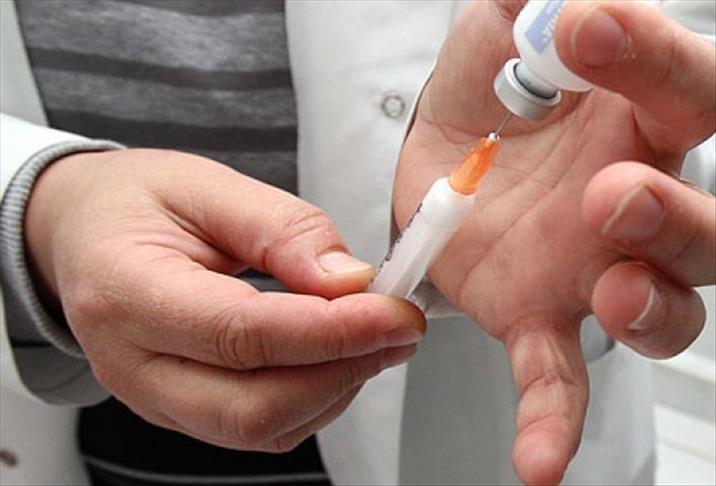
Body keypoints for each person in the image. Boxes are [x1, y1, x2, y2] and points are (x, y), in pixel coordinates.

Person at [1, 0, 714, 485]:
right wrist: (38, 204)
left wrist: (653, 164)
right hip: (81, 425)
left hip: (469, 422)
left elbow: (686, 52)